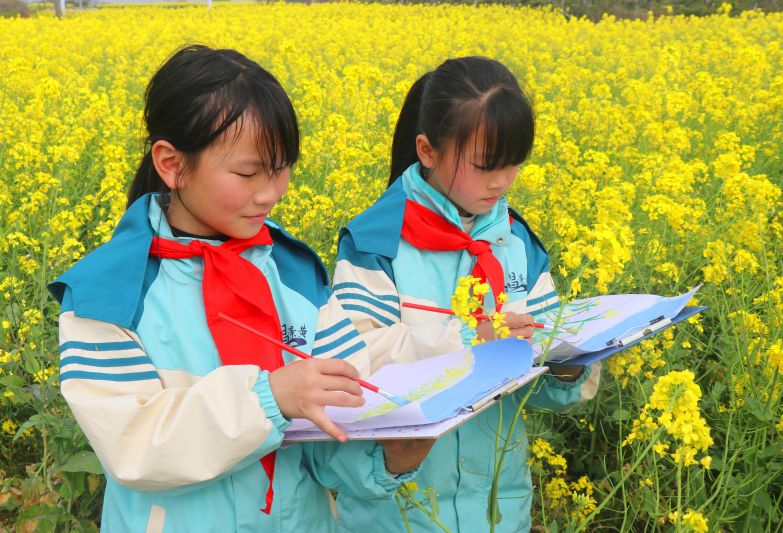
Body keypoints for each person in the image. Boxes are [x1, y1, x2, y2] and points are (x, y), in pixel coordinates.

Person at [48, 45, 419, 533]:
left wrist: (392, 456)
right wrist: (266, 399)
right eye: (247, 173)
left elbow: (334, 437)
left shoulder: (295, 276)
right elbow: (133, 449)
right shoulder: (108, 294)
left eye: (281, 168)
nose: (270, 193)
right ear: (171, 162)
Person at [331, 56, 602, 532]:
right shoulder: (376, 241)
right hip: (398, 510)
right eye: (484, 166)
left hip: (499, 506)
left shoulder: (517, 245)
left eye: (513, 165)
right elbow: (355, 362)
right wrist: (466, 341)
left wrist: (567, 366)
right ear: (427, 150)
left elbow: (541, 389)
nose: (501, 182)